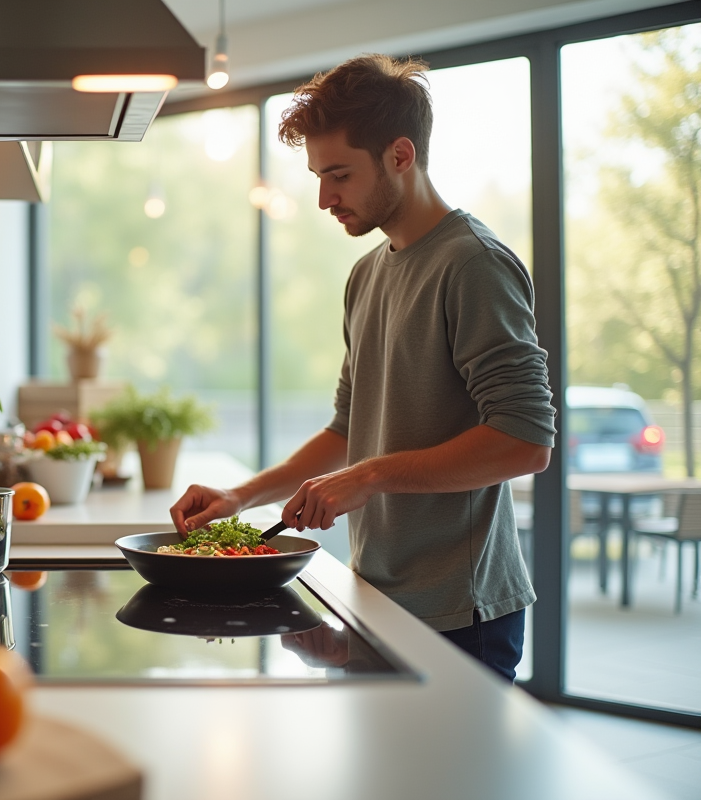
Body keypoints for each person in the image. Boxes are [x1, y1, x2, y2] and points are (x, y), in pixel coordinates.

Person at [169, 54, 556, 683]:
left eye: (340, 175)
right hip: (372, 595)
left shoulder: (473, 264)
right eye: (319, 177)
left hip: (459, 615)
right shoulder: (366, 273)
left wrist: (368, 477)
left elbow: (525, 442)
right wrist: (241, 497)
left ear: (400, 155)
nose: (325, 198)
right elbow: (346, 430)